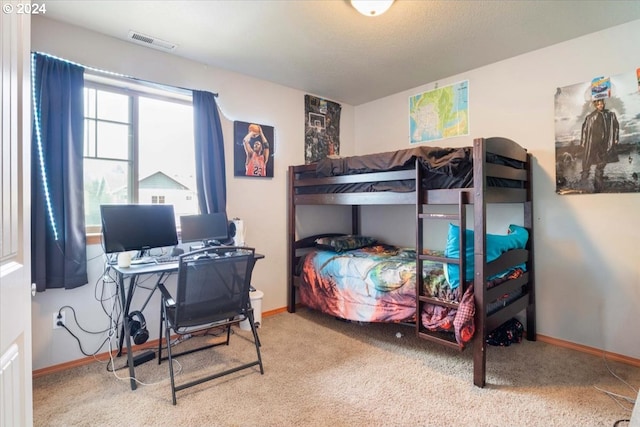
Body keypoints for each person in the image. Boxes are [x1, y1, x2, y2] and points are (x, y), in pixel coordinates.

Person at [580, 98, 619, 190]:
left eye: (601, 104)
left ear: (604, 103)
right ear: (595, 105)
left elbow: (616, 126)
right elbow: (584, 129)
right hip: (593, 143)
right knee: (587, 164)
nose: (600, 106)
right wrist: (583, 141)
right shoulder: (590, 117)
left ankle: (598, 184)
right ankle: (583, 184)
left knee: (602, 163)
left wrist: (616, 138)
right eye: (598, 104)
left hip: (605, 142)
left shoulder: (610, 114)